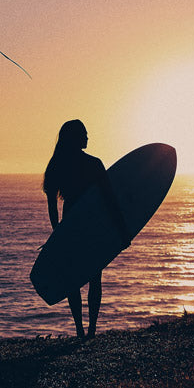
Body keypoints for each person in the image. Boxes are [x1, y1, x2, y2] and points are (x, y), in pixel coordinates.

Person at [42, 119, 130, 339]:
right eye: (84, 134)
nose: (88, 137)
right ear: (74, 137)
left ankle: (81, 330)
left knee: (74, 279)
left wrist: (57, 233)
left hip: (71, 224)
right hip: (93, 223)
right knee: (94, 277)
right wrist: (122, 230)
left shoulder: (56, 165)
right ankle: (90, 330)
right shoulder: (93, 164)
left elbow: (53, 207)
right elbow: (110, 201)